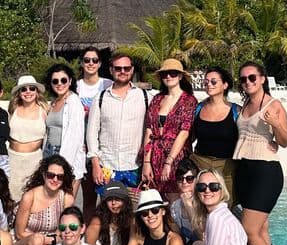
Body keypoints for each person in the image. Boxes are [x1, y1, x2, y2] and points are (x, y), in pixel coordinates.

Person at [233, 61, 287, 245]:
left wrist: (276, 124)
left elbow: (286, 141)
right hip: (244, 169)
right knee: (262, 229)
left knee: (249, 228)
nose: (248, 82)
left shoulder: (274, 105)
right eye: (244, 79)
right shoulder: (244, 105)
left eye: (252, 78)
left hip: (266, 171)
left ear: (263, 78)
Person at [86, 52, 149, 196]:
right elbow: (91, 134)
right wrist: (95, 165)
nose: (122, 72)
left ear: (132, 70)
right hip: (107, 167)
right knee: (108, 213)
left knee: (133, 212)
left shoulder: (144, 97)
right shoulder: (100, 98)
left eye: (126, 68)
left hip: (134, 167)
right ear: (111, 70)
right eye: (118, 68)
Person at [12, 155, 75, 245]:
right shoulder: (30, 197)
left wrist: (47, 242)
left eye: (60, 177)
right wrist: (45, 239)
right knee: (37, 240)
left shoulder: (66, 199)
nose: (55, 179)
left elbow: (62, 233)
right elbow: (19, 234)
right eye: (51, 175)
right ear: (44, 175)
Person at [142, 59, 196, 194]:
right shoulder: (157, 99)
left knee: (176, 200)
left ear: (180, 76)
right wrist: (146, 162)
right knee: (155, 200)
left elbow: (184, 133)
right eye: (165, 74)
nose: (168, 77)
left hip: (177, 156)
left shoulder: (189, 101)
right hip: (154, 155)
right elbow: (149, 130)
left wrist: (169, 162)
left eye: (173, 73)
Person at [191, 67, 240, 204]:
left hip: (227, 167)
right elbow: (190, 137)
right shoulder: (198, 108)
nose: (209, 85)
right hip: (200, 163)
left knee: (227, 205)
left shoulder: (236, 111)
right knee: (201, 207)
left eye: (213, 82)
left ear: (225, 85)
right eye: (206, 82)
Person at [76, 48, 113, 216]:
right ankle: (88, 238)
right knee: (89, 199)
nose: (90, 63)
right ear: (82, 62)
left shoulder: (108, 85)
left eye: (94, 60)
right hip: (83, 149)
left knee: (109, 198)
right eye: (87, 60)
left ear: (100, 63)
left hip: (105, 148)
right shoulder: (75, 86)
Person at [44, 64, 85, 196]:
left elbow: (74, 136)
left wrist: (63, 165)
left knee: (64, 202)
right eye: (55, 81)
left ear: (70, 81)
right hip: (49, 153)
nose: (59, 84)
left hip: (66, 156)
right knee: (50, 201)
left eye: (63, 80)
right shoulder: (54, 102)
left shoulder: (74, 102)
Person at [7, 74, 47, 202]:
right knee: (11, 197)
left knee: (32, 198)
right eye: (24, 89)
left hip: (35, 160)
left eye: (32, 88)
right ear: (19, 93)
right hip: (12, 159)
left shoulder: (45, 110)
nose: (28, 92)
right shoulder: (13, 109)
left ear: (37, 91)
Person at [170, 158, 204, 245]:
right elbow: (178, 238)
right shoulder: (175, 206)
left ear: (196, 180)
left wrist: (189, 206)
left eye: (189, 179)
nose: (184, 182)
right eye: (180, 179)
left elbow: (202, 237)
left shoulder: (204, 202)